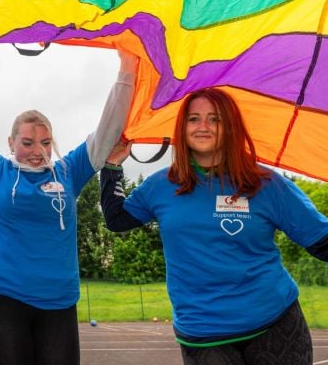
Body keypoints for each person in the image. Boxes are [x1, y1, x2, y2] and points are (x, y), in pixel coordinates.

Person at [100, 87, 328, 364]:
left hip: (274, 321)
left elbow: (321, 241)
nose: (203, 127)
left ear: (230, 127)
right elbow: (117, 220)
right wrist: (111, 166)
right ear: (182, 127)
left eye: (215, 119)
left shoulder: (267, 183)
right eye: (194, 119)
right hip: (203, 332)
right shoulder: (160, 185)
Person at [0, 52, 136, 364]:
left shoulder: (69, 171)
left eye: (45, 142)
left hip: (59, 301)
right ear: (11, 142)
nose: (37, 151)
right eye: (27, 142)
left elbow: (108, 129)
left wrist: (128, 67)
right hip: (2, 298)